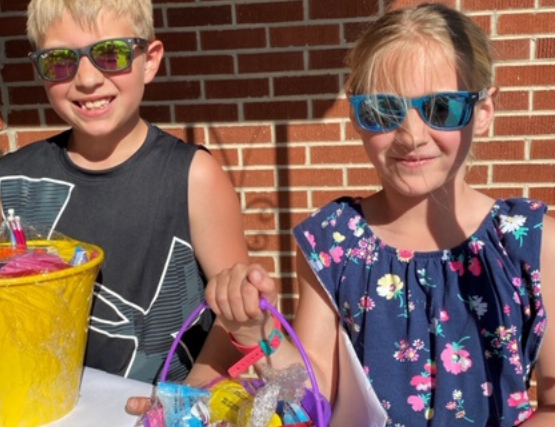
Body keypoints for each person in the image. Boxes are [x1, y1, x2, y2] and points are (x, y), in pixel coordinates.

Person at [205, 3, 555, 426]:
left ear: (483, 111)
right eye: (382, 110)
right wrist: (254, 332)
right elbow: (314, 391)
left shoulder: (530, 243)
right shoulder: (333, 240)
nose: (411, 136)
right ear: (356, 115)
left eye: (442, 108)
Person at [0, 0, 248, 413]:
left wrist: (186, 399)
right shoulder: (13, 180)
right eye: (60, 61)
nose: (87, 78)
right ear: (40, 70)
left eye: (111, 53)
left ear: (149, 60)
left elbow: (236, 312)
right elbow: (18, 312)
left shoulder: (194, 176)